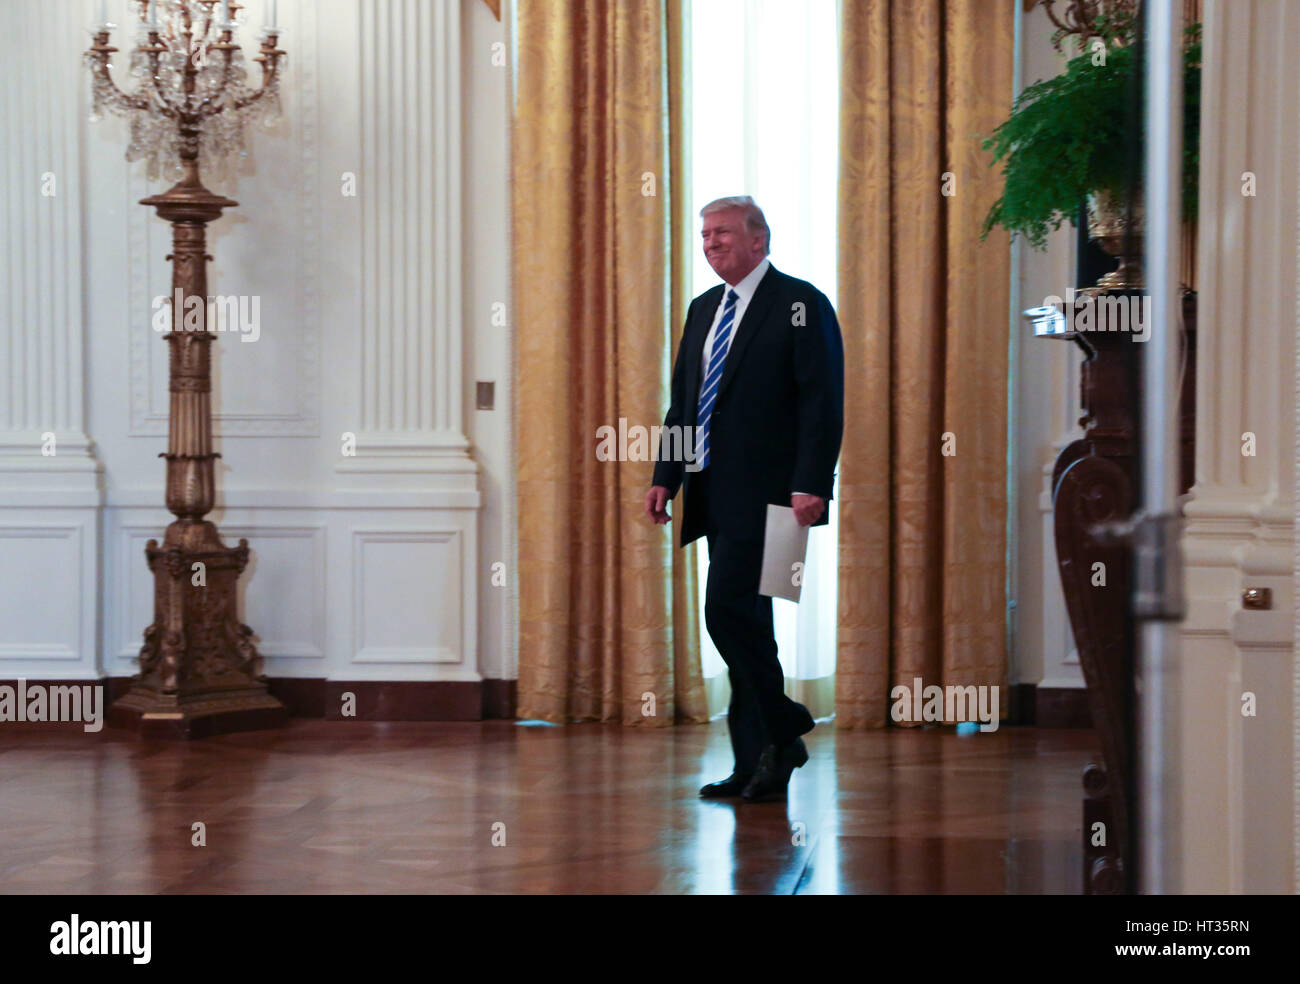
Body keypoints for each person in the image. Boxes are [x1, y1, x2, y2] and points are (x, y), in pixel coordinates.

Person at [645, 195, 844, 802]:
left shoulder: (801, 303)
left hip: (783, 497)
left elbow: (822, 399)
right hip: (716, 492)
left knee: (731, 616)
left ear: (760, 240)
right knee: (749, 628)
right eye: (705, 235)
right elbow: (685, 402)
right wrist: (666, 476)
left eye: (724, 232)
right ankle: (762, 755)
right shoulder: (704, 308)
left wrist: (813, 482)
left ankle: (779, 732)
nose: (711, 243)